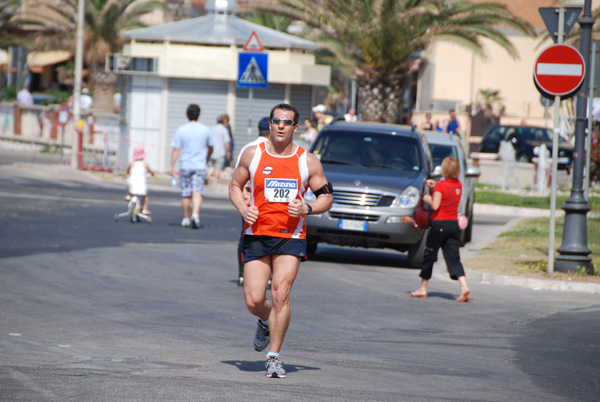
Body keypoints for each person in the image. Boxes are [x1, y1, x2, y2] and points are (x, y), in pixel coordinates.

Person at [229, 103, 333, 378]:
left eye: (287, 122)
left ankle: (273, 356)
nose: (280, 126)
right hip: (257, 234)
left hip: (291, 236)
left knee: (280, 294)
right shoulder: (253, 154)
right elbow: (235, 185)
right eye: (276, 121)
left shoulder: (307, 160)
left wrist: (307, 208)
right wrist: (243, 209)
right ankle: (265, 320)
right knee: (253, 300)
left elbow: (327, 197)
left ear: (295, 128)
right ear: (271, 124)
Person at [410, 156, 472, 302]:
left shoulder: (440, 186)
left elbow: (436, 206)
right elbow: (448, 193)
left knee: (429, 255)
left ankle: (423, 288)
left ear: (444, 169)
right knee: (453, 256)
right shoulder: (459, 184)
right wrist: (435, 186)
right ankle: (464, 286)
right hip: (453, 225)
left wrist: (427, 198)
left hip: (439, 225)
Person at [234, 116, 271, 287]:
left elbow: (237, 179)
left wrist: (243, 199)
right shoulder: (272, 150)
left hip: (250, 201)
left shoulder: (247, 148)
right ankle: (268, 276)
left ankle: (243, 275)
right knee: (271, 238)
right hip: (268, 202)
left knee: (246, 236)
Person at [168, 104, 214, 229]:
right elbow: (211, 146)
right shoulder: (205, 129)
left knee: (185, 193)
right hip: (199, 165)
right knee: (197, 191)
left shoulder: (181, 129)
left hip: (185, 165)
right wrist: (207, 158)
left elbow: (176, 149)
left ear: (187, 114)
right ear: (198, 114)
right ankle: (196, 214)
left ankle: (186, 218)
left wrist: (171, 166)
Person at [125, 145, 155, 215]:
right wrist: (152, 173)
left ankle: (128, 195)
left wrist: (127, 172)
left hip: (132, 182)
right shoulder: (145, 164)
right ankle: (145, 209)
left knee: (128, 183)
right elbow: (150, 171)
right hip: (141, 183)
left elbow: (128, 170)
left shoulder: (132, 163)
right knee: (145, 196)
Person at [206, 115, 231, 184]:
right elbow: (226, 142)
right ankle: (215, 181)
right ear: (224, 122)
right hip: (220, 151)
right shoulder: (224, 129)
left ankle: (207, 176)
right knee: (218, 167)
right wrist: (228, 151)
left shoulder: (212, 128)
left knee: (212, 166)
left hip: (212, 151)